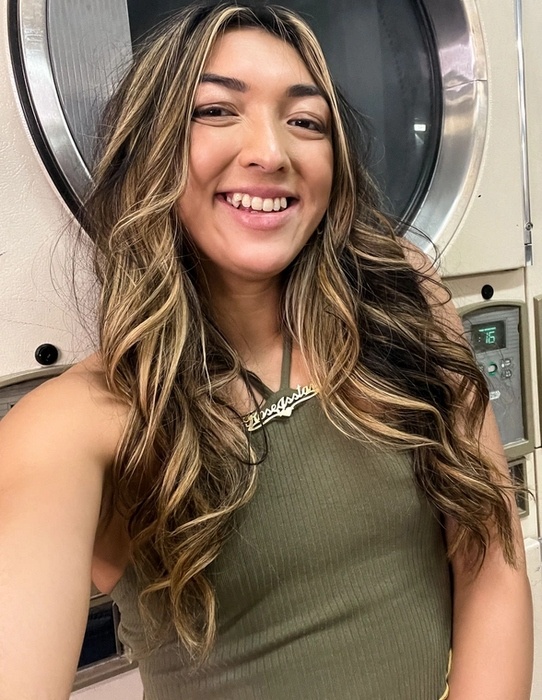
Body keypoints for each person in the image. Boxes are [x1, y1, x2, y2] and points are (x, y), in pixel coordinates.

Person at [0, 2, 533, 699]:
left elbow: (491, 560)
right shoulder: (70, 427)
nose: (271, 153)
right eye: (216, 111)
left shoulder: (404, 302)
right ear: (149, 150)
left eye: (305, 121)